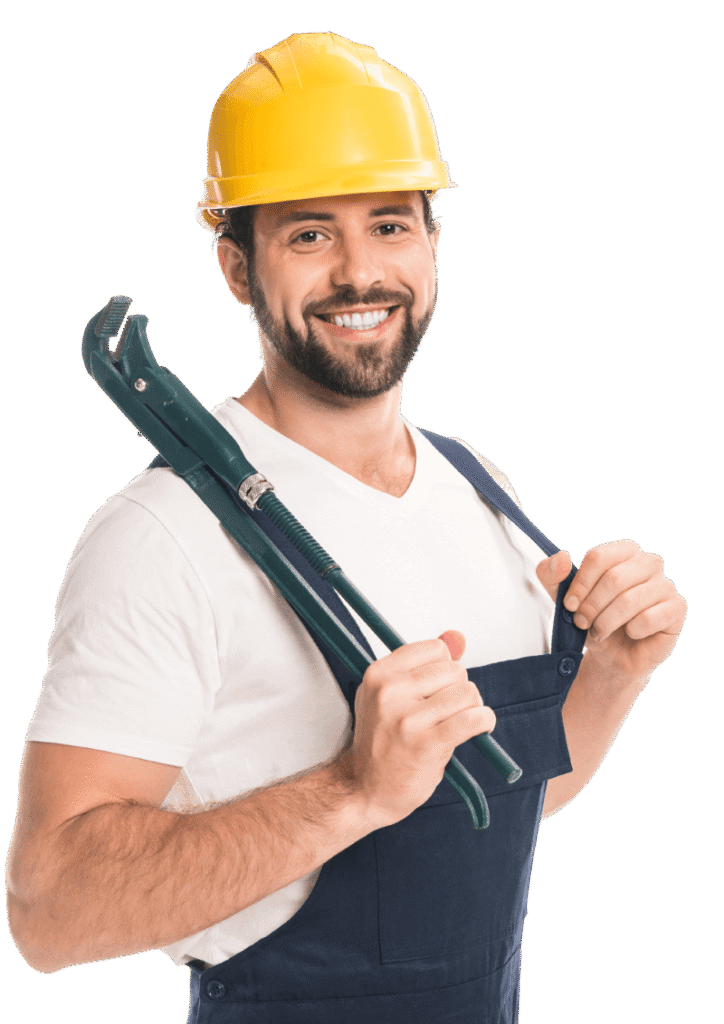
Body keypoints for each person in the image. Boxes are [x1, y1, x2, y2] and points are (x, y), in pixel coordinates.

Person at [6, 31, 686, 1023]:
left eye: (389, 224)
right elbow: (48, 912)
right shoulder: (165, 535)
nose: (361, 273)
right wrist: (350, 790)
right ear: (237, 265)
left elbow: (500, 805)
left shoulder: (476, 486)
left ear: (433, 243)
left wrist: (616, 670)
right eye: (310, 233)